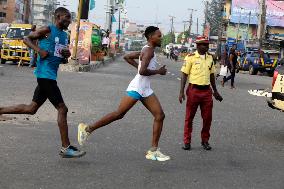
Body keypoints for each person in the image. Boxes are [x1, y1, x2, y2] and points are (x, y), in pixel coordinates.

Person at [0, 7, 86, 158]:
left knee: (32, 108)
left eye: (69, 18)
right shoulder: (48, 29)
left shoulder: (65, 36)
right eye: (66, 17)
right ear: (58, 17)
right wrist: (39, 51)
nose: (69, 20)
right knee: (62, 109)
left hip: (50, 75)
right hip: (44, 75)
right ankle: (66, 148)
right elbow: (27, 39)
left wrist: (66, 55)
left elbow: (61, 57)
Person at [78, 26, 170, 162]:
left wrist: (140, 67)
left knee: (159, 115)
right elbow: (142, 71)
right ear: (151, 37)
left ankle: (153, 150)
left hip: (145, 88)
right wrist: (158, 72)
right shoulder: (149, 51)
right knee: (119, 114)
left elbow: (127, 57)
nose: (161, 38)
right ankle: (87, 129)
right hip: (138, 88)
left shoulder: (146, 50)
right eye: (159, 36)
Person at [179, 36, 223, 151]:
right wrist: (181, 92)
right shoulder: (190, 58)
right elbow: (184, 74)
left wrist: (215, 91)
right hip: (194, 90)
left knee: (207, 118)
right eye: (204, 44)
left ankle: (205, 140)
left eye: (207, 44)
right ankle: (187, 141)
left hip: (207, 92)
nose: (206, 46)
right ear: (198, 46)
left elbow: (212, 75)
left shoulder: (210, 58)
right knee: (189, 117)